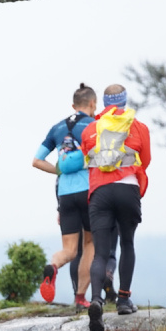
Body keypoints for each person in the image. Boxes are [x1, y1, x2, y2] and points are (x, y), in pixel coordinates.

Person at [81, 83, 152, 331]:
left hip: (100, 191)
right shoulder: (139, 127)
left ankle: (96, 299)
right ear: (124, 100)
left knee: (101, 253)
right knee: (128, 244)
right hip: (127, 188)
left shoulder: (91, 129)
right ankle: (123, 299)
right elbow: (147, 158)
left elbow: (86, 156)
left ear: (103, 101)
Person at [32, 83, 97, 307]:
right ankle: (80, 297)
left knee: (69, 250)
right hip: (89, 191)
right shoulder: (94, 125)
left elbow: (36, 160)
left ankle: (53, 267)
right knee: (91, 244)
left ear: (73, 105)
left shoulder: (57, 128)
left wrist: (58, 169)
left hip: (65, 194)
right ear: (92, 104)